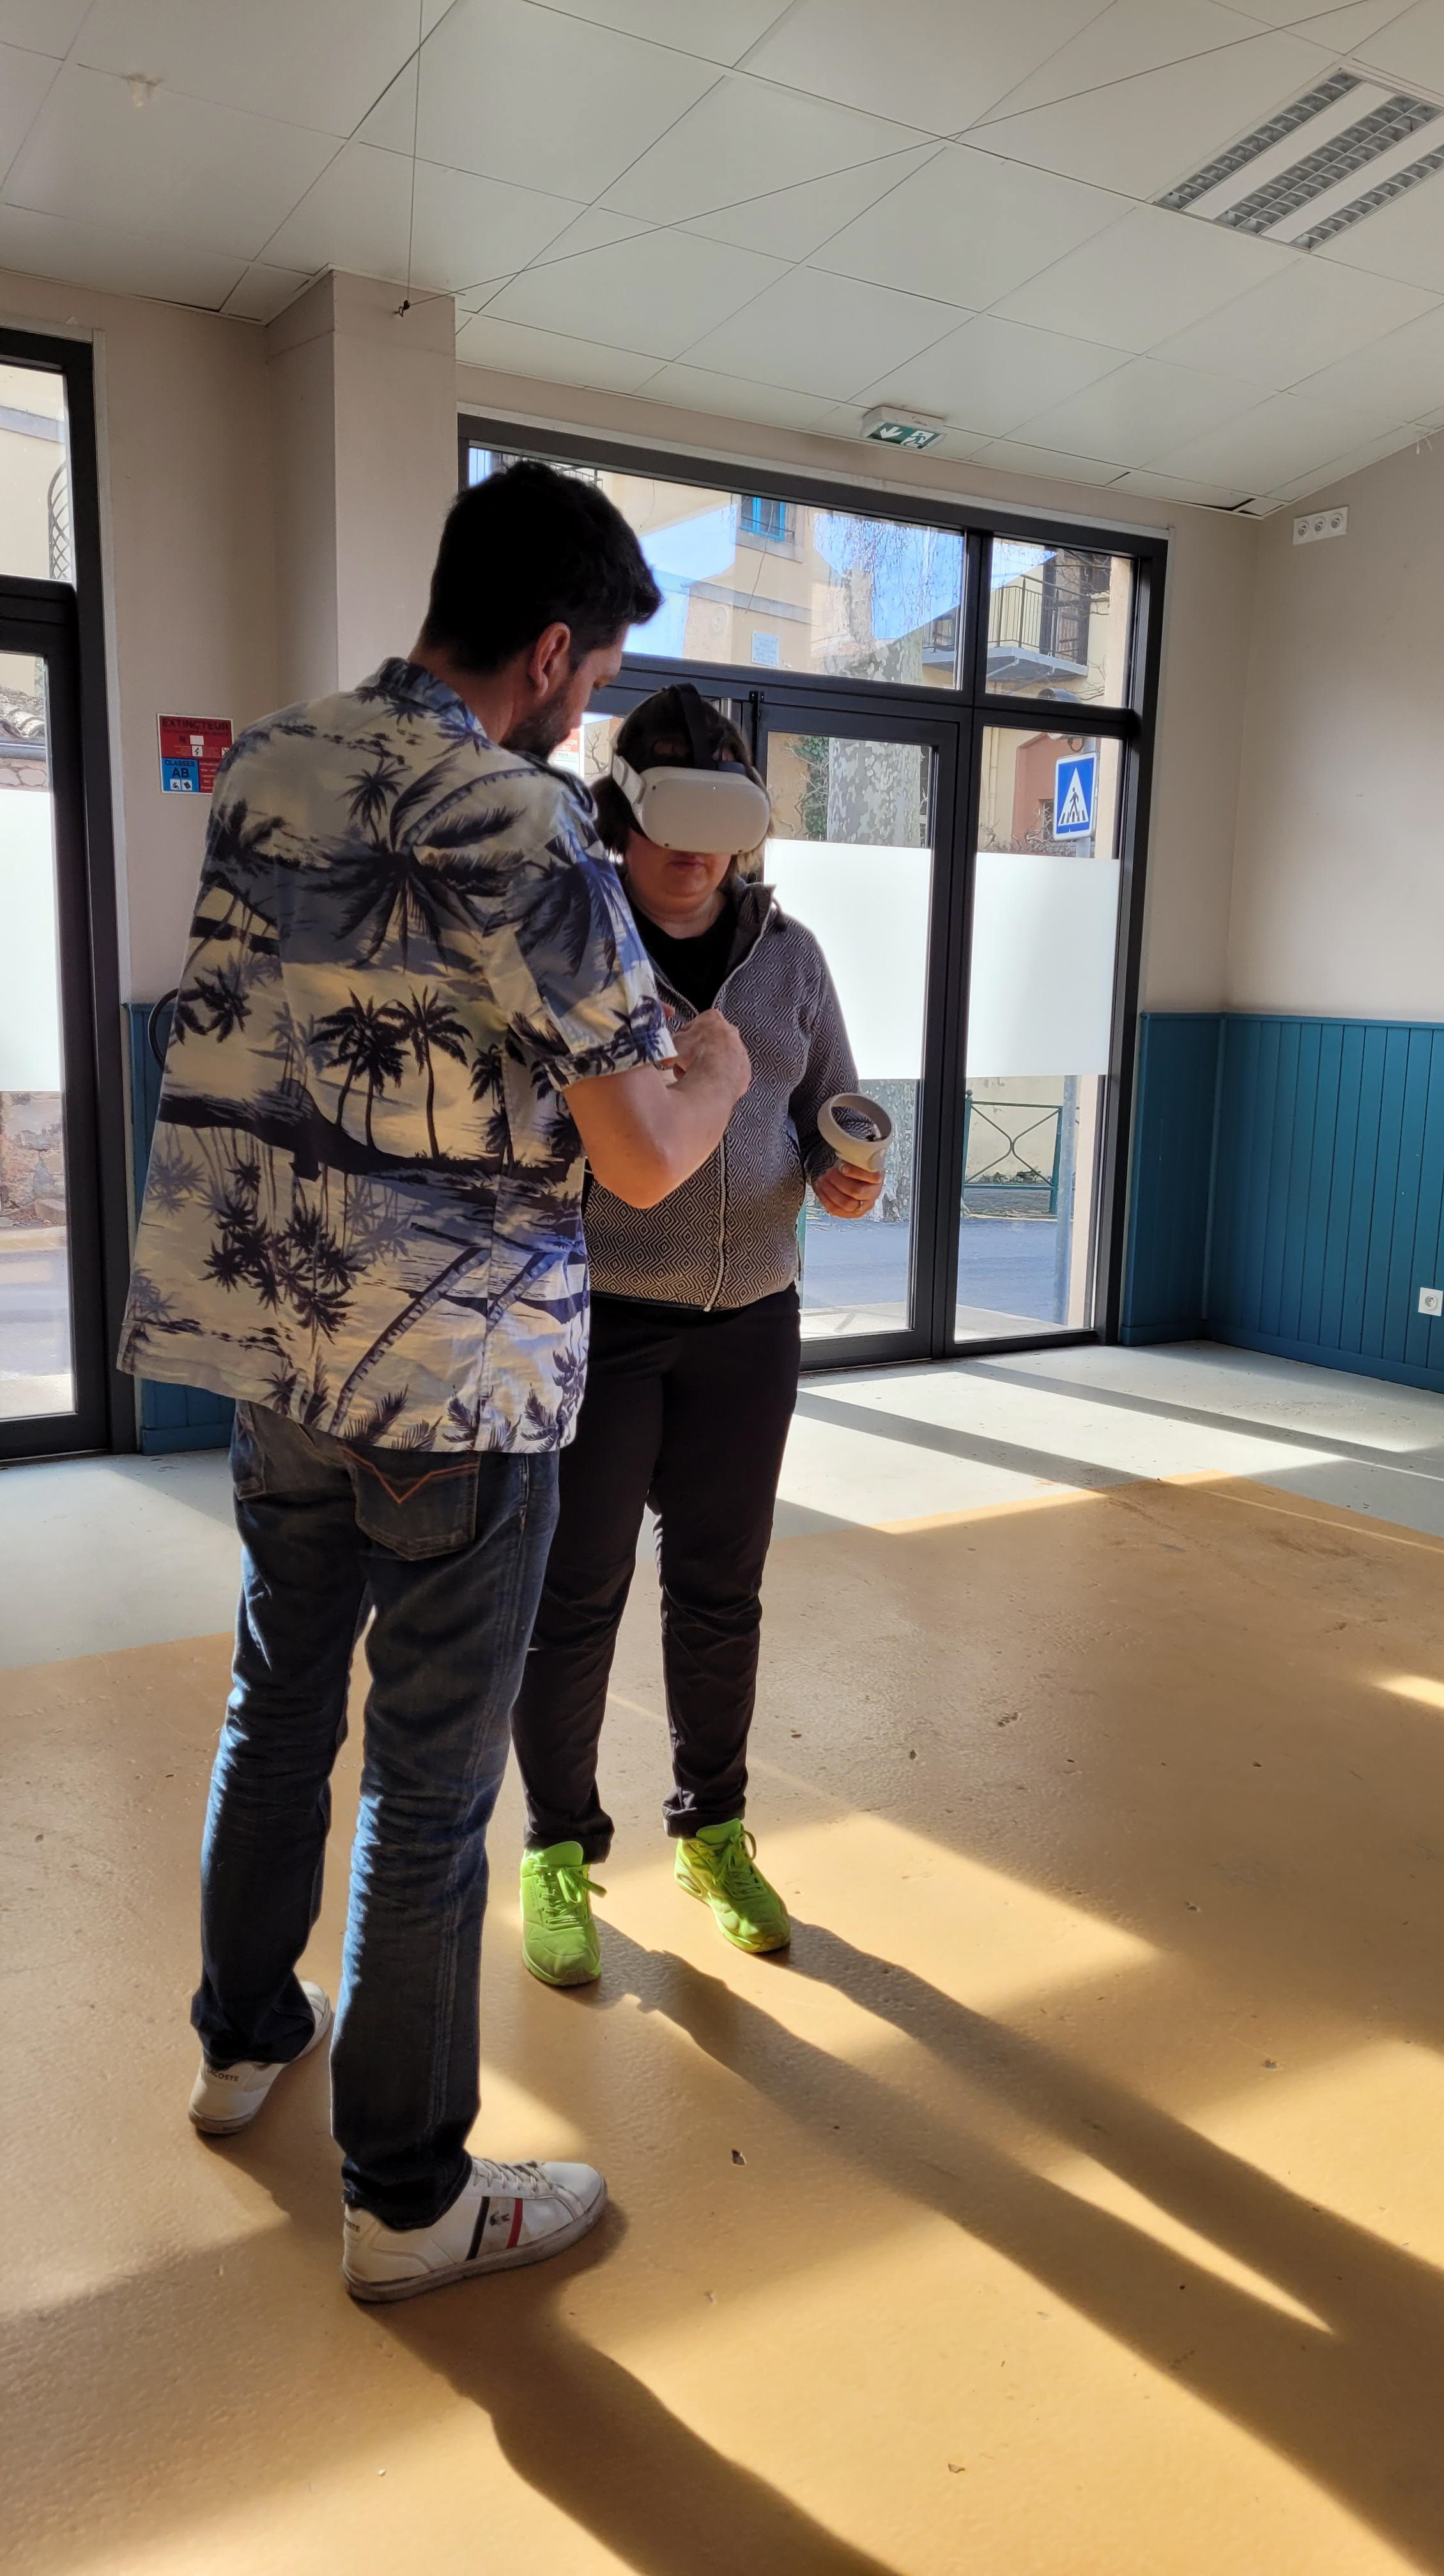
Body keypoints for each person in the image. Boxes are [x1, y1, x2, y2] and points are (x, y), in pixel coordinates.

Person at [118, 466, 750, 2303]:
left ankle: (243, 2040)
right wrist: (712, 1071)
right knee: (427, 1788)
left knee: (274, 1703)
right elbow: (641, 1156)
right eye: (595, 671)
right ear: (551, 650)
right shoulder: (525, 823)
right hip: (456, 1383)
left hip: (277, 1346)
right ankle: (408, 2199)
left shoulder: (267, 765)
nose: (586, 703)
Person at [511, 685, 880, 1986]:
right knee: (575, 1597)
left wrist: (844, 1174)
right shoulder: (578, 952)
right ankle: (557, 1848)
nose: (693, 852)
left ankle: (712, 1833)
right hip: (600, 1324)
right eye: (668, 818)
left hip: (750, 1324)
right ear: (621, 819)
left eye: (720, 822)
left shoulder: (793, 957)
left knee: (721, 1594)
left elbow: (831, 1104)